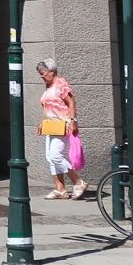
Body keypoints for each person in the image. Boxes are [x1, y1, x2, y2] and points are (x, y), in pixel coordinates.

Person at [35, 59, 86, 200]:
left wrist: (73, 121)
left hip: (62, 125)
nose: (41, 76)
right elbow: (47, 107)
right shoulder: (49, 86)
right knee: (50, 157)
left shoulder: (60, 83)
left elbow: (71, 102)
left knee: (56, 156)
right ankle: (60, 188)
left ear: (52, 72)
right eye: (40, 73)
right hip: (51, 126)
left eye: (43, 73)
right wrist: (42, 123)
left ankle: (78, 181)